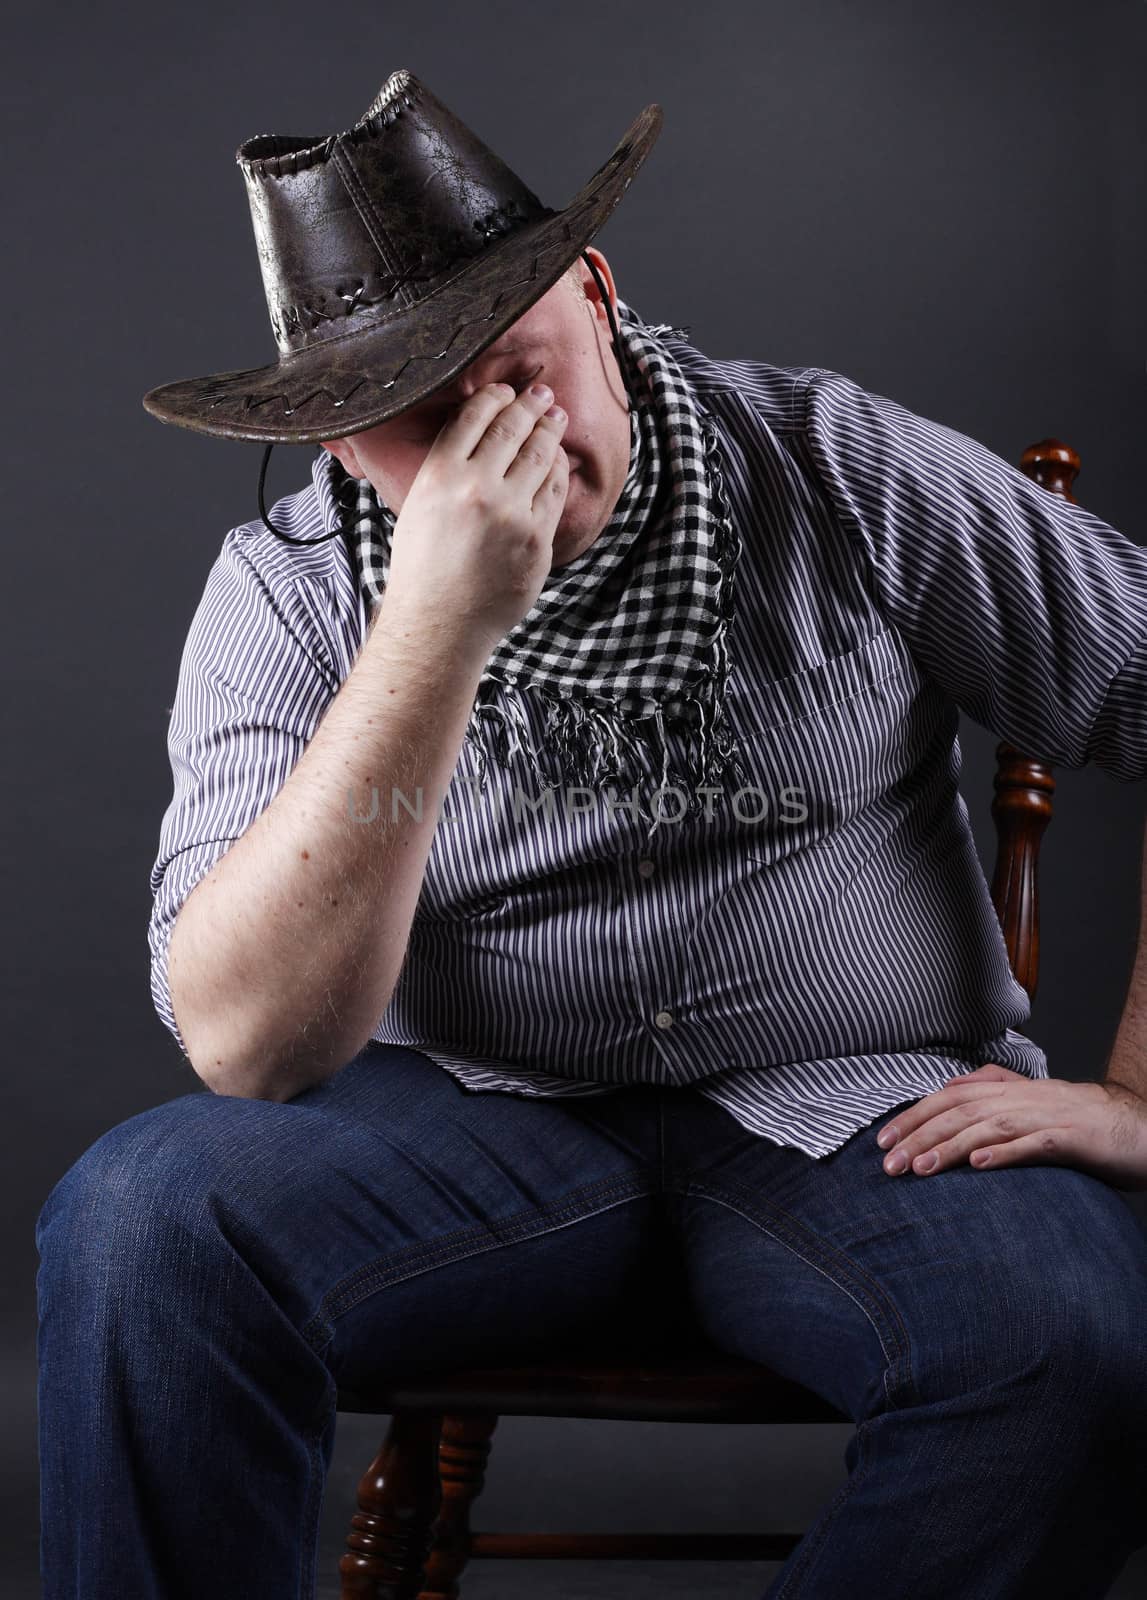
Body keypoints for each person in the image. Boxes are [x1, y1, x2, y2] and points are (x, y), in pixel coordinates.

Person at [35, 66, 1147, 1599]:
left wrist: (1145, 1096)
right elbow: (249, 1047)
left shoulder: (835, 467)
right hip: (474, 1127)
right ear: (338, 443)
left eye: (517, 367)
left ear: (598, 291)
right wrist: (432, 631)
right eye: (417, 419)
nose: (503, 441)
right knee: (141, 1226)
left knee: (1084, 1347)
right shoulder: (288, 590)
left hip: (860, 1114)